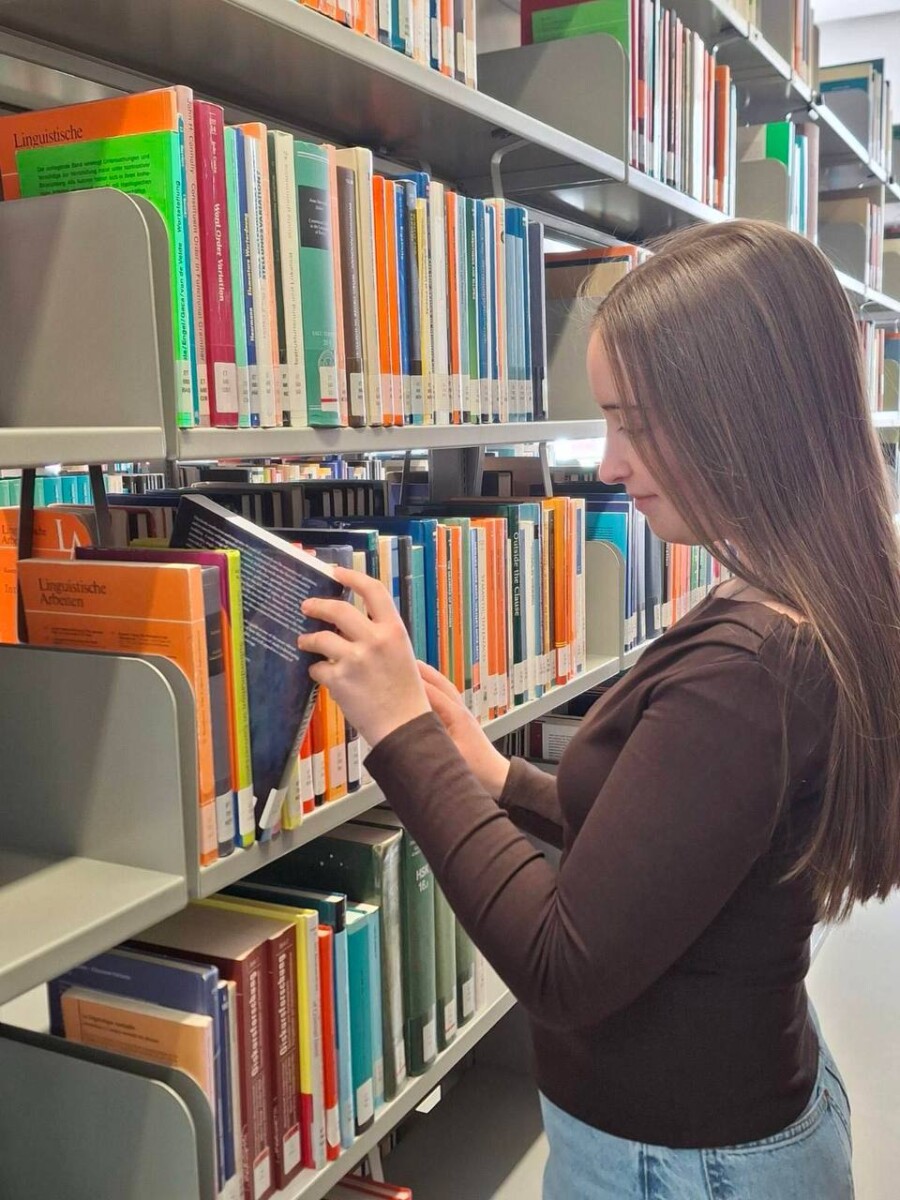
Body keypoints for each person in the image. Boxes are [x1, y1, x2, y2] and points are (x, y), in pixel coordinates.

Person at [298, 220, 900, 1198]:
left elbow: (559, 964)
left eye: (635, 423)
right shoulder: (796, 603)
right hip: (728, 1113)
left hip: (685, 1165)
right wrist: (498, 779)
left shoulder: (750, 668)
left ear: (743, 413)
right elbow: (673, 841)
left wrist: (401, 735)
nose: (610, 465)